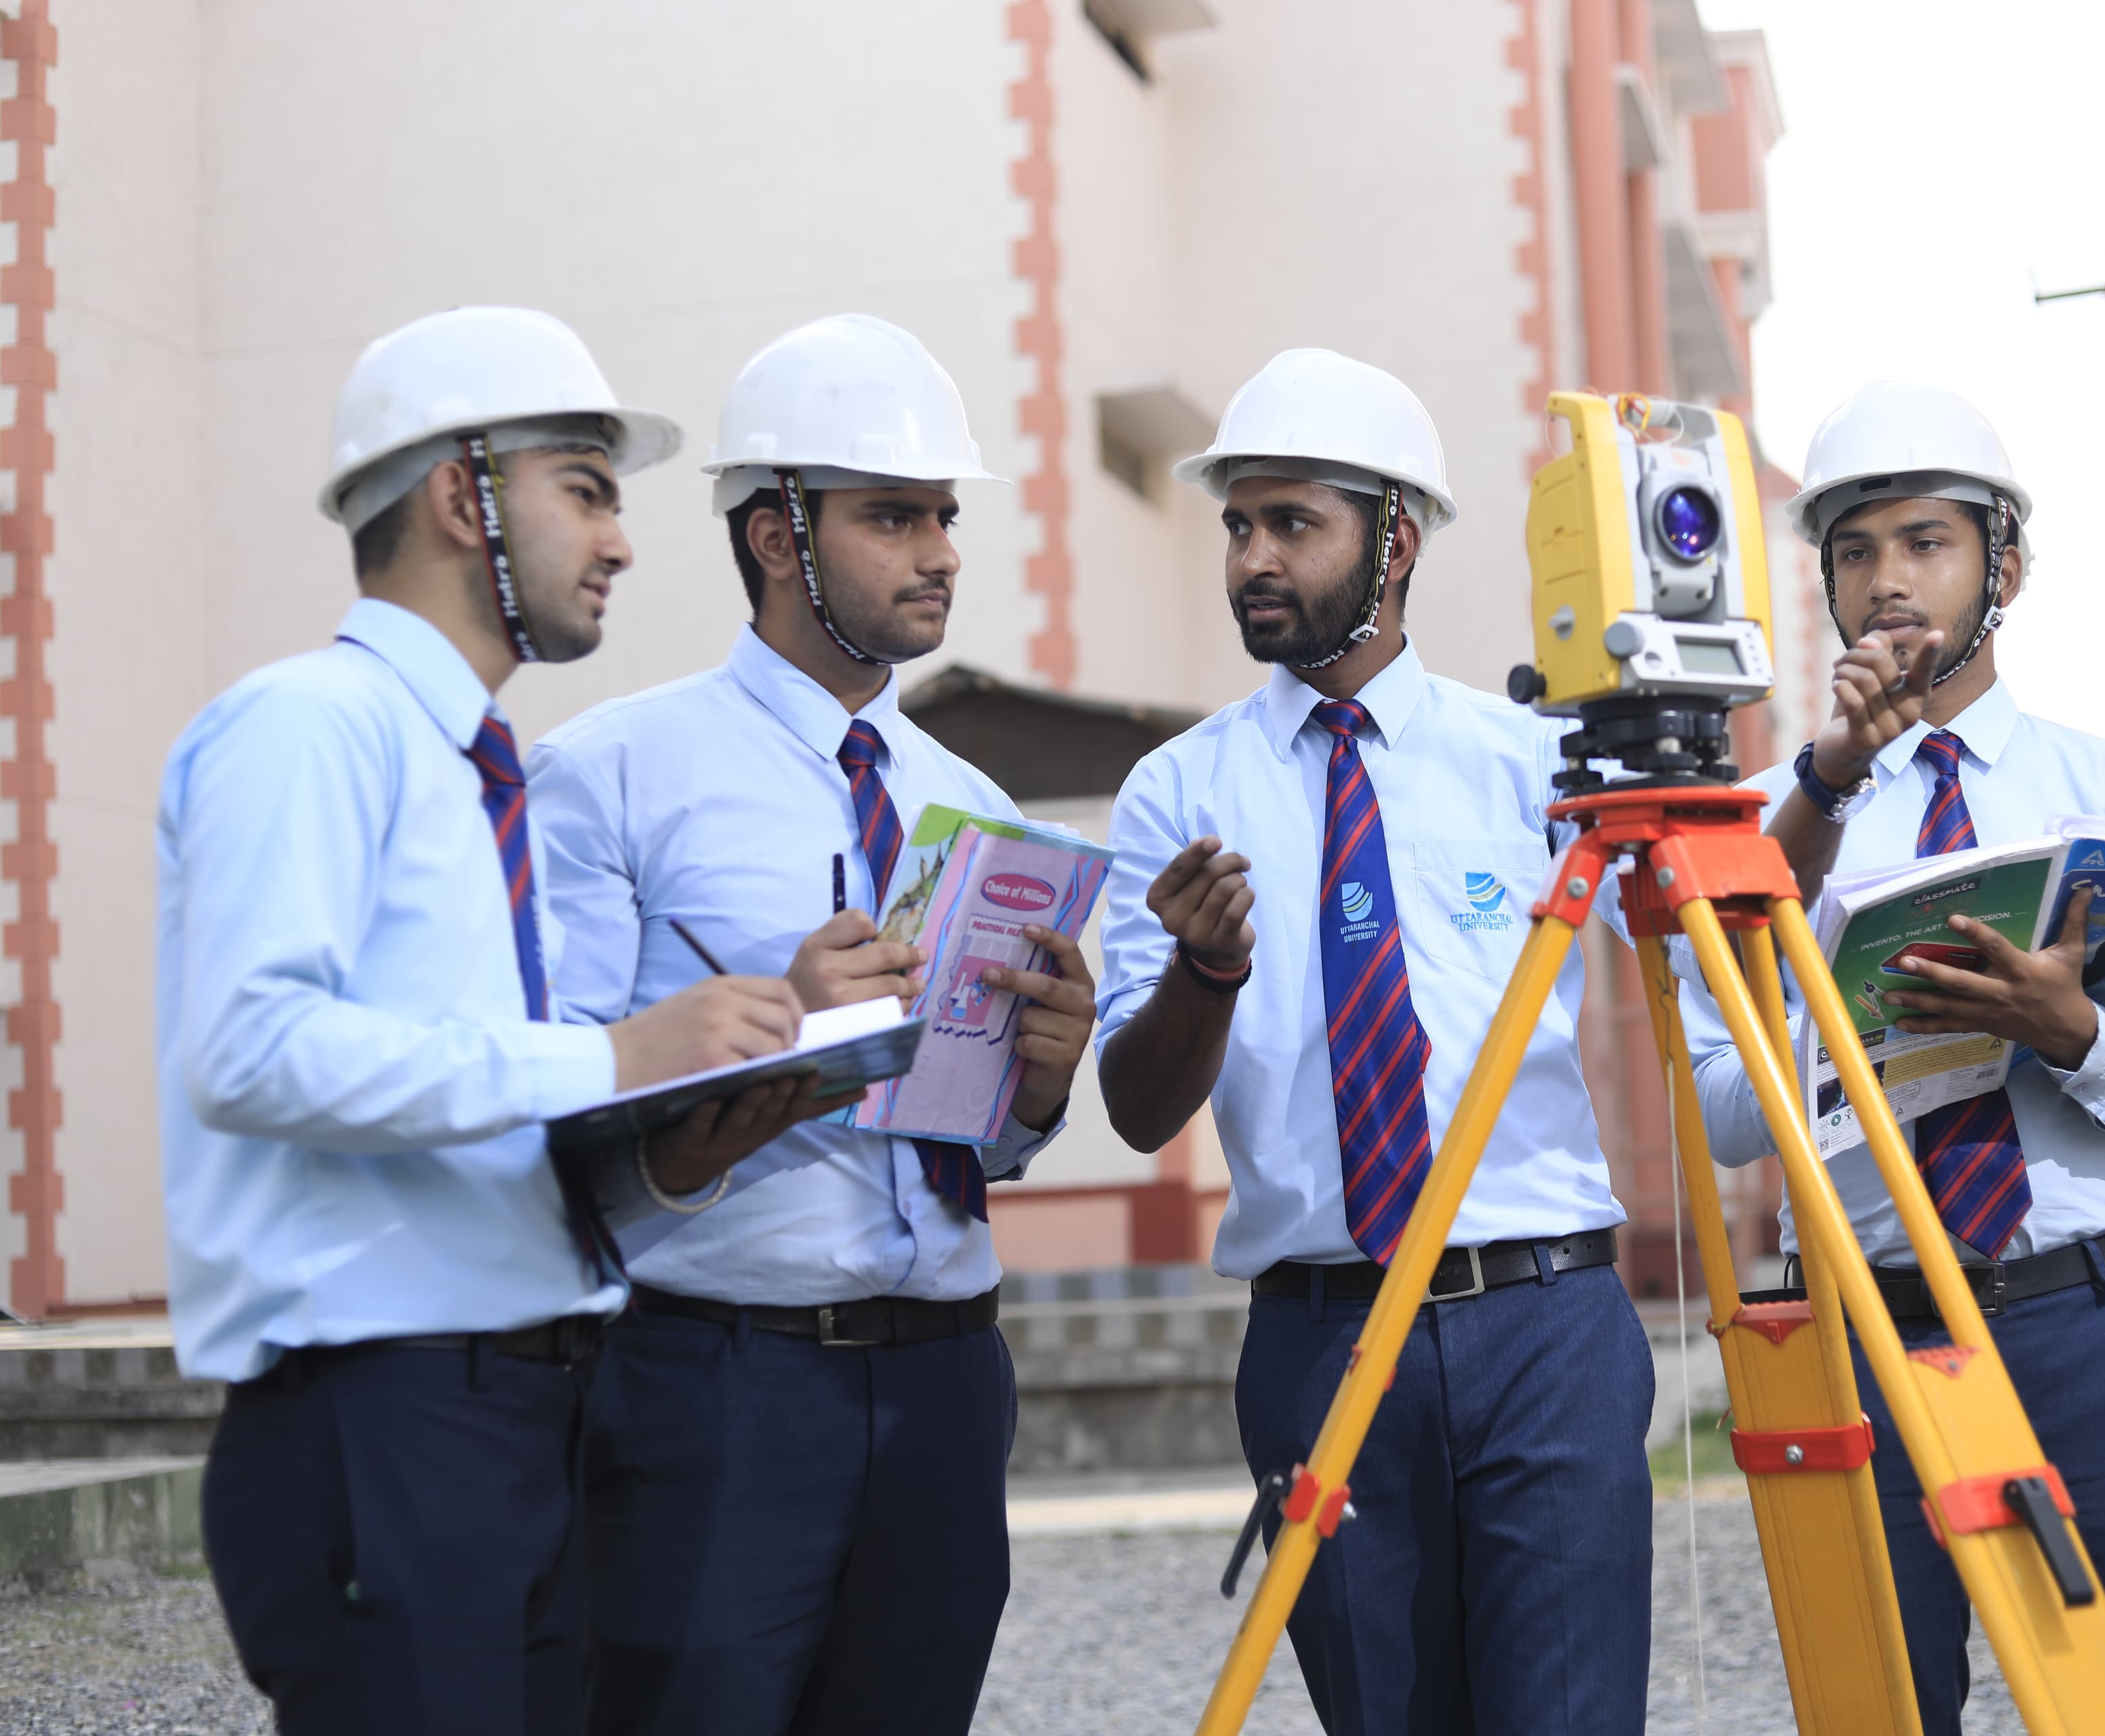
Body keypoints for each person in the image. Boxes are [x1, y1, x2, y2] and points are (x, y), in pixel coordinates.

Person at [158, 307, 827, 1735]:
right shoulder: (307, 727)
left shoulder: (471, 768)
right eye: (584, 488)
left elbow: (459, 1113)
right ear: (467, 496)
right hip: (382, 1415)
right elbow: (249, 1047)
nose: (624, 540)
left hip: (516, 1411)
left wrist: (686, 1127)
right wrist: (614, 1053)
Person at [527, 313, 1097, 1736]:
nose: (942, 550)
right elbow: (549, 1113)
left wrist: (1039, 1081)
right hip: (713, 1379)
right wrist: (782, 1027)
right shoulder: (609, 777)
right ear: (777, 533)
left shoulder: (978, 801)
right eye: (893, 515)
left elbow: (985, 1134)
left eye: (945, 515)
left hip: (951, 1376)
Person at [1093, 349, 1652, 1736]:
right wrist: (1205, 971)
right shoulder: (1177, 792)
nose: (1252, 558)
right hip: (1320, 1332)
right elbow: (1135, 1104)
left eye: (1293, 523)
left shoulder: (1538, 762)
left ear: (1393, 539)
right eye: (1238, 524)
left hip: (1546, 1325)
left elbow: (1723, 953)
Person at [1690, 380, 2105, 1735]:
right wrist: (1838, 1026)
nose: (1887, 581)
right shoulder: (1761, 819)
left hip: (2081, 1320)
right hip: (1866, 1328)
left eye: (1924, 542)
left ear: (2008, 567)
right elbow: (1725, 1113)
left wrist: (2074, 1030)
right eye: (1855, 551)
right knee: (1880, 1710)